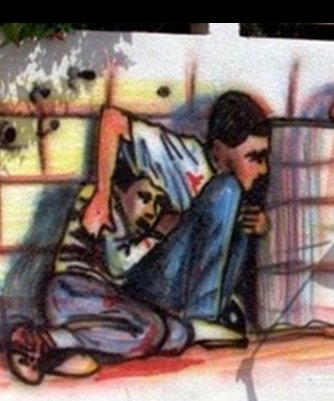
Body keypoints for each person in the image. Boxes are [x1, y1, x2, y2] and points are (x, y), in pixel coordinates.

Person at [7, 91, 272, 385]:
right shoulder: (181, 162)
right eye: (255, 158)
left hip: (124, 304)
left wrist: (256, 227)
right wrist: (103, 194)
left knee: (150, 330)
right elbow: (112, 120)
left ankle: (59, 345)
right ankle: (198, 325)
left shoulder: (151, 204)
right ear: (218, 150)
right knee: (228, 190)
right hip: (98, 290)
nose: (263, 170)